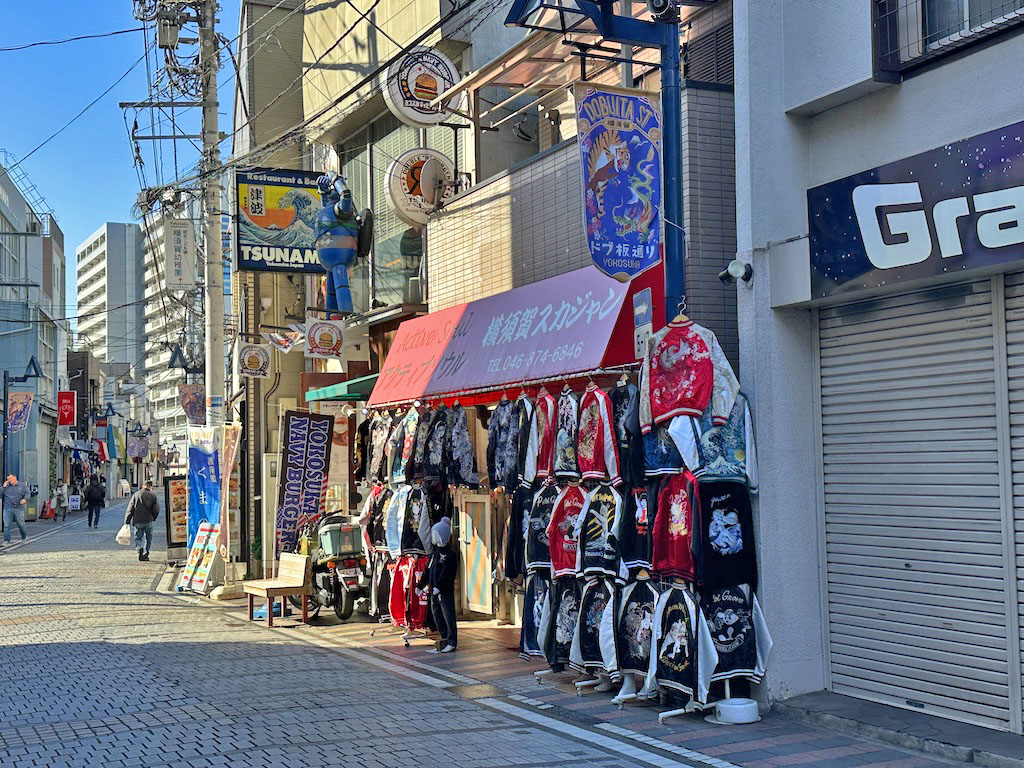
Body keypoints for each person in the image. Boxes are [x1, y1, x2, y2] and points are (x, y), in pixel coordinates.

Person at [419, 516, 458, 653]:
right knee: (437, 614)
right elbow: (428, 570)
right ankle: (444, 638)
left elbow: (447, 573)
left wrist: (439, 586)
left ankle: (452, 640)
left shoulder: (450, 555)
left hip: (444, 591)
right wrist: (421, 585)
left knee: (448, 615)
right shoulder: (435, 554)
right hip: (434, 591)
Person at [124, 481, 159, 561]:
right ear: (151, 487)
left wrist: (127, 521)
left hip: (138, 520)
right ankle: (146, 553)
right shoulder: (153, 496)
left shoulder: (136, 495)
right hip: (148, 520)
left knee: (138, 538)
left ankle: (139, 548)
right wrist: (154, 517)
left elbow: (130, 508)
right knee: (148, 538)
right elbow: (156, 509)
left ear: (143, 486)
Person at [1, 473, 29, 544]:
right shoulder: (6, 486)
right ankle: (6, 540)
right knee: (7, 525)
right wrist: (3, 487)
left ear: (15, 477)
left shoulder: (22, 486)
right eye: (8, 479)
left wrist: (25, 499)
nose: (9, 480)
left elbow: (27, 493)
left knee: (21, 524)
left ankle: (24, 537)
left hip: (18, 508)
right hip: (7, 507)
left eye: (10, 478)